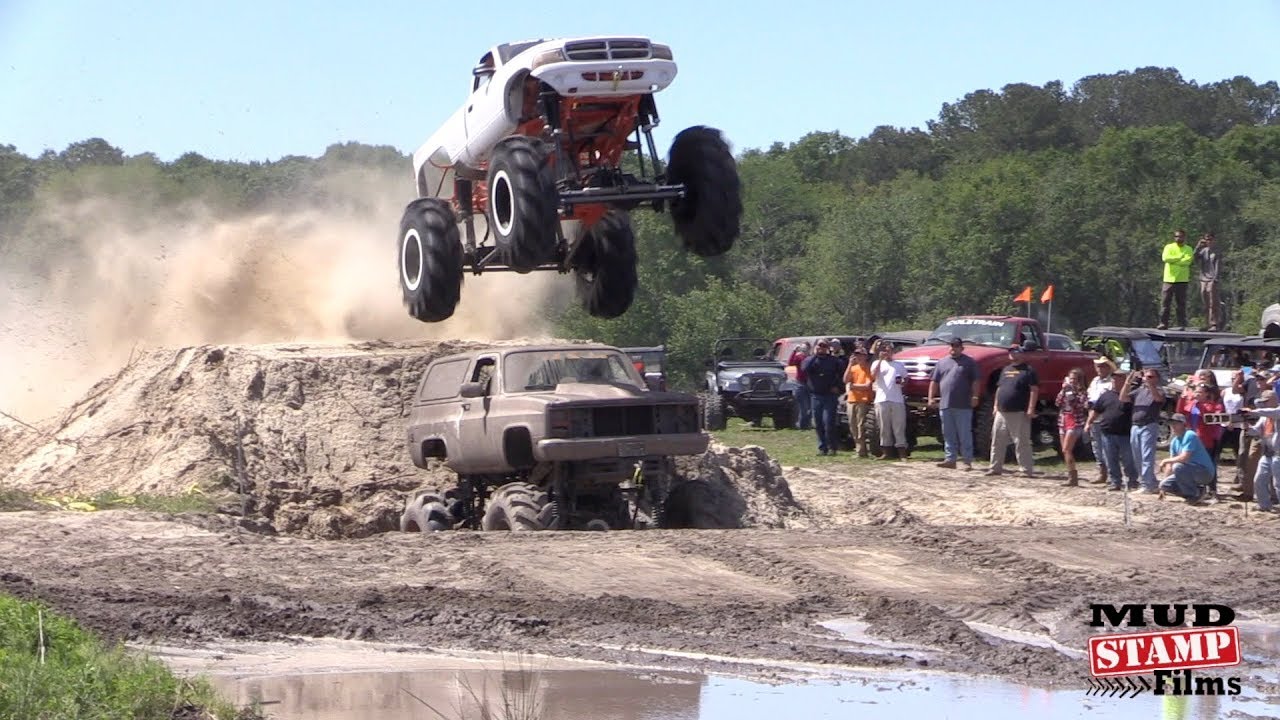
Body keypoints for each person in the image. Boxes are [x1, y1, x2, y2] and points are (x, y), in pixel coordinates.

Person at [984, 341, 1039, 477]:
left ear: (1022, 353)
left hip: (1019, 411)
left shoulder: (1028, 370)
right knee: (997, 440)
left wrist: (1031, 408)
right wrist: (996, 406)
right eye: (1011, 352)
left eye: (1016, 351)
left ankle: (1026, 469)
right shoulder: (1006, 369)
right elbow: (1000, 388)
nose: (1013, 354)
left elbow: (1034, 390)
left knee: (1021, 441)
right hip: (1001, 411)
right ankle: (995, 467)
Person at [928, 337, 981, 470]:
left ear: (961, 348)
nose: (954, 348)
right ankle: (950, 459)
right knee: (948, 433)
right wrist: (931, 398)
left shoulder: (969, 362)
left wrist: (975, 396)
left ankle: (967, 460)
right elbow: (934, 381)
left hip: (963, 405)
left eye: (956, 346)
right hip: (945, 404)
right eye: (952, 346)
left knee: (964, 434)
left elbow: (976, 381)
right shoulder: (942, 362)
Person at [1086, 372, 1139, 491]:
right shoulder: (1106, 395)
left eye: (1118, 378)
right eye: (1113, 379)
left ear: (1124, 380)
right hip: (1107, 432)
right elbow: (1096, 410)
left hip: (1125, 433)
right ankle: (1115, 482)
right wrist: (1088, 422)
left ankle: (1132, 481)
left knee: (1128, 459)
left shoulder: (1130, 395)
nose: (1115, 381)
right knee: (1110, 459)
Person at [1158, 413, 1216, 504]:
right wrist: (1163, 486)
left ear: (1183, 424)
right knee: (1164, 485)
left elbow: (1184, 457)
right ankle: (1197, 491)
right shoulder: (1174, 442)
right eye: (1172, 423)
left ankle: (1194, 494)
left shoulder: (1190, 435)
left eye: (1176, 423)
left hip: (1204, 472)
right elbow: (1170, 465)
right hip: (1188, 471)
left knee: (1178, 467)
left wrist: (1165, 460)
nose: (1173, 426)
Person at [801, 340, 844, 456]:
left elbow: (841, 375)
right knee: (818, 423)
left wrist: (838, 387)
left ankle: (832, 447)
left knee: (828, 422)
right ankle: (822, 447)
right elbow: (804, 369)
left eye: (824, 346)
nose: (822, 348)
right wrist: (815, 355)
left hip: (830, 395)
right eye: (820, 345)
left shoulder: (834, 361)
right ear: (815, 347)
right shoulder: (810, 360)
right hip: (816, 395)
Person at [870, 340, 909, 460]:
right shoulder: (877, 363)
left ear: (892, 351)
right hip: (882, 398)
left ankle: (901, 452)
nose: (887, 352)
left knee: (899, 426)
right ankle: (886, 452)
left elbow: (906, 378)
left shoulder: (899, 364)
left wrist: (903, 382)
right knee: (883, 427)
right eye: (884, 350)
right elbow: (872, 375)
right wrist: (881, 359)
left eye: (889, 350)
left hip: (897, 399)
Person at [1242, 390, 1280, 512]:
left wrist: (1252, 411)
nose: (1264, 405)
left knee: (1278, 484)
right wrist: (1246, 426)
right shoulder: (1264, 418)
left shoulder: (1276, 412)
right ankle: (1264, 505)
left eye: (1266, 402)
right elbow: (1255, 431)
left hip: (1278, 454)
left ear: (1274, 399)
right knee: (1259, 480)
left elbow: (1273, 412)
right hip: (1267, 453)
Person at [1129, 368, 1165, 493]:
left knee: (1147, 456)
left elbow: (1158, 399)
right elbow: (1123, 398)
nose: (1147, 379)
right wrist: (1128, 381)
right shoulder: (1139, 391)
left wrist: (1150, 385)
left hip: (1149, 425)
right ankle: (1148, 481)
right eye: (1146, 376)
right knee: (1137, 456)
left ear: (1156, 378)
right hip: (1135, 426)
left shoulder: (1159, 390)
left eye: (1151, 377)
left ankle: (1147, 485)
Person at [1056, 368, 1090, 486]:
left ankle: (1073, 476)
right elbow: (1058, 402)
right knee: (1065, 451)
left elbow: (1079, 406)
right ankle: (1071, 476)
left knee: (1067, 448)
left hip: (1075, 421)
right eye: (1071, 379)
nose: (1072, 381)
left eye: (1075, 379)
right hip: (1063, 419)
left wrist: (1072, 394)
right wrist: (1064, 390)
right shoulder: (1066, 389)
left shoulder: (1083, 392)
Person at [1086, 357, 1116, 484]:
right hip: (1093, 413)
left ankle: (1112, 474)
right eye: (1098, 366)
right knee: (1096, 446)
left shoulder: (1111, 382)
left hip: (1104, 414)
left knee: (1107, 446)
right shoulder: (1095, 381)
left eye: (1103, 366)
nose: (1100, 369)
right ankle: (1102, 472)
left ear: (1108, 368)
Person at [1158, 229, 1194, 330]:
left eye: (1181, 236)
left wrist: (1174, 260)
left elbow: (1187, 261)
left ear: (1184, 237)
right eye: (1177, 236)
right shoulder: (1168, 247)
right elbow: (1165, 258)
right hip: (1168, 279)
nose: (1179, 238)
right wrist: (1179, 258)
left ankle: (1181, 324)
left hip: (1182, 280)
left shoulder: (1188, 249)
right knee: (1165, 303)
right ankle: (1163, 323)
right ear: (1174, 238)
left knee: (1181, 304)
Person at [843, 344, 875, 458]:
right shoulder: (853, 368)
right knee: (853, 426)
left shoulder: (869, 368)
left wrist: (853, 386)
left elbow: (867, 385)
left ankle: (862, 450)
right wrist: (849, 364)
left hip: (863, 400)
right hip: (852, 400)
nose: (859, 357)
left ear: (865, 356)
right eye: (857, 355)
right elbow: (845, 379)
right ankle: (858, 448)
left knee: (861, 425)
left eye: (861, 355)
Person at [1194, 232, 1222, 331]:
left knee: (1213, 302)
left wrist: (1215, 279)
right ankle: (1206, 323)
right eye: (1206, 239)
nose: (1208, 241)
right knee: (1205, 302)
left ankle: (1214, 323)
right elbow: (1194, 258)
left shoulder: (1217, 252)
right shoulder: (1203, 251)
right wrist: (1198, 246)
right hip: (1203, 279)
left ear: (1214, 240)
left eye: (1210, 239)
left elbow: (1218, 266)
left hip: (1212, 279)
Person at [788, 343, 812, 430]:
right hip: (800, 383)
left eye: (807, 348)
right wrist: (794, 351)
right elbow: (790, 363)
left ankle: (807, 423)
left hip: (811, 384)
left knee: (811, 407)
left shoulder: (811, 357)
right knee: (803, 406)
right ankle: (803, 425)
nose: (805, 349)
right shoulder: (799, 357)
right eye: (803, 348)